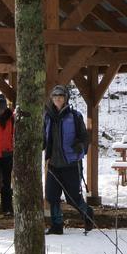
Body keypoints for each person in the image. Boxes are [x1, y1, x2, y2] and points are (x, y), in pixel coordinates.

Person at [43, 84, 94, 235]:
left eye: (61, 96)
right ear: (52, 99)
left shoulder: (75, 116)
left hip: (71, 163)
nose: (58, 99)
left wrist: (80, 147)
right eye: (55, 96)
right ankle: (57, 225)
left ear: (66, 99)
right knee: (52, 196)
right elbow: (43, 137)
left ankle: (87, 214)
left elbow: (85, 138)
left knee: (72, 198)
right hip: (53, 164)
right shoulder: (47, 117)